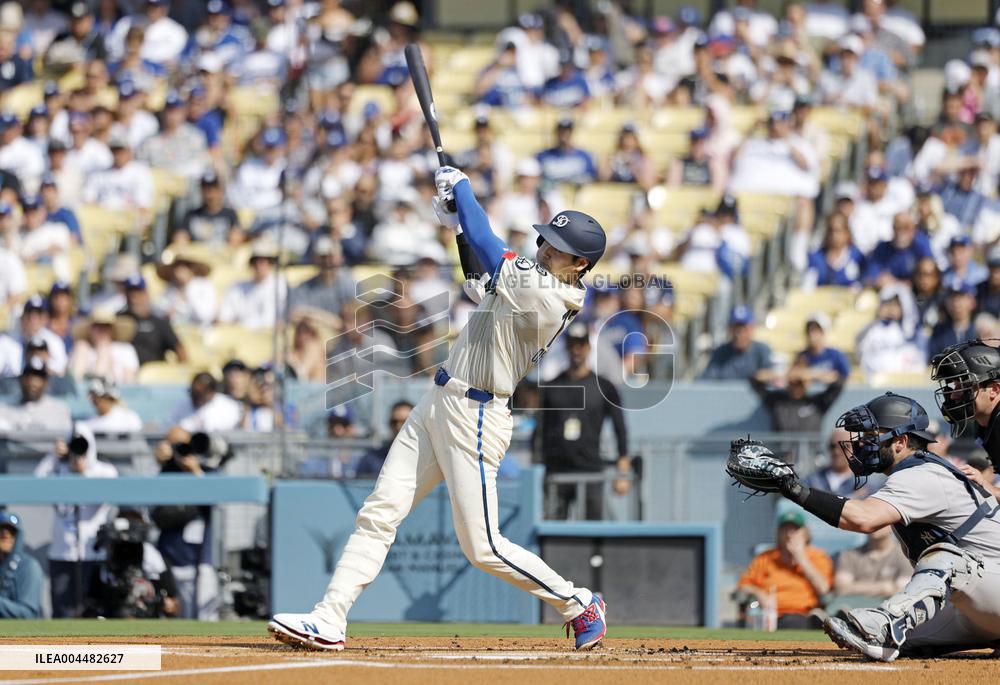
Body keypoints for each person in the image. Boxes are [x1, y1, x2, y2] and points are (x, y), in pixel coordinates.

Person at [269, 165, 609, 651]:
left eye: (558, 248)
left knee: (483, 547)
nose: (546, 248)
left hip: (477, 413)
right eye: (547, 241)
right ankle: (330, 616)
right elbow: (478, 276)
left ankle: (578, 603)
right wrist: (456, 226)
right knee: (379, 511)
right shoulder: (530, 278)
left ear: (579, 264)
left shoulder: (553, 295)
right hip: (439, 399)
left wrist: (466, 192)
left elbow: (493, 252)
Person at [742, 393, 1000, 661]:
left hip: (989, 585)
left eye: (872, 435)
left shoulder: (921, 475)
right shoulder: (915, 472)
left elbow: (862, 518)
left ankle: (885, 623)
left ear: (900, 442)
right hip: (978, 602)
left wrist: (794, 489)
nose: (863, 443)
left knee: (947, 559)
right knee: (905, 640)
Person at [538, 323, 630, 520]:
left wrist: (622, 471)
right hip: (557, 470)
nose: (576, 350)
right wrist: (539, 466)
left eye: (581, 344)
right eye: (572, 344)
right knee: (553, 531)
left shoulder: (604, 387)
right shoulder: (552, 386)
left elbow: (620, 428)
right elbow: (541, 431)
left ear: (588, 347)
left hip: (590, 468)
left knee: (592, 529)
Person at [33, 423, 117, 618]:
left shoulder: (104, 471)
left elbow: (103, 498)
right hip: (61, 553)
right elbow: (35, 485)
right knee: (62, 611)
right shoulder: (57, 470)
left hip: (93, 553)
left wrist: (83, 473)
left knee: (94, 611)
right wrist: (53, 456)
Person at [736, 510, 834, 629]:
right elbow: (743, 585)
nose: (789, 534)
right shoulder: (765, 558)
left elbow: (823, 588)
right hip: (766, 613)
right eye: (785, 529)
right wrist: (759, 593)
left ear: (805, 534)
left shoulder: (817, 556)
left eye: (795, 530)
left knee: (793, 622)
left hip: (801, 614)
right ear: (778, 533)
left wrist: (801, 559)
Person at [750, 362, 845, 435]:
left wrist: (810, 373)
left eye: (800, 382)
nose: (797, 386)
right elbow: (754, 379)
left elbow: (838, 383)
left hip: (810, 456)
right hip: (783, 458)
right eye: (793, 382)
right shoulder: (777, 401)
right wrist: (785, 373)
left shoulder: (817, 402)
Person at [119, 274, 187, 366]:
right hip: (124, 374)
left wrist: (182, 372)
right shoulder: (117, 320)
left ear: (146, 294)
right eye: (130, 291)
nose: (134, 296)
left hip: (153, 376)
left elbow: (179, 349)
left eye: (138, 291)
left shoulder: (159, 323)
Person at [834, 526, 911, 604]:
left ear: (893, 526)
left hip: (889, 610)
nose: (875, 524)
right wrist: (883, 587)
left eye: (881, 521)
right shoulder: (849, 555)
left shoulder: (906, 554)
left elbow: (902, 590)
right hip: (851, 609)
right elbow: (842, 589)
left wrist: (855, 587)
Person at [0, 356, 72, 433]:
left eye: (38, 378)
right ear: (20, 380)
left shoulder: (60, 410)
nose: (33, 383)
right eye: (28, 377)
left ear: (46, 383)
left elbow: (64, 439)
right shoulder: (4, 409)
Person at [700, 306, 773, 380]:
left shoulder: (762, 351)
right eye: (735, 328)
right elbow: (707, 380)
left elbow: (773, 375)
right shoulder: (721, 353)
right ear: (730, 329)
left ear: (751, 329)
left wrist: (761, 377)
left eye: (743, 328)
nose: (738, 333)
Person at [804, 427, 880, 498]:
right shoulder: (811, 481)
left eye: (844, 446)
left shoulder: (867, 484)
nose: (836, 451)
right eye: (832, 446)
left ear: (857, 448)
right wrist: (854, 497)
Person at [154, 248, 217, 327]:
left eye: (184, 266)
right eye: (176, 267)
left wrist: (189, 291)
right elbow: (158, 309)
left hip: (199, 332)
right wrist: (167, 311)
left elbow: (204, 316)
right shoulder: (171, 288)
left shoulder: (204, 286)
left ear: (192, 269)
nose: (179, 271)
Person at [350, 401, 413, 479]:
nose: (398, 426)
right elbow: (358, 487)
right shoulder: (371, 459)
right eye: (394, 422)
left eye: (405, 422)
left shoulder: (426, 459)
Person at [0, 511, 43, 618]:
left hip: (23, 633)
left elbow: (28, 614)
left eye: (11, 531)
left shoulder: (29, 566)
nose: (6, 534)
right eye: (1, 530)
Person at [926, 284, 977, 361]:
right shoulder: (939, 331)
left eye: (961, 298)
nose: (956, 304)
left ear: (972, 302)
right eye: (952, 298)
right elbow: (932, 360)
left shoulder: (980, 330)